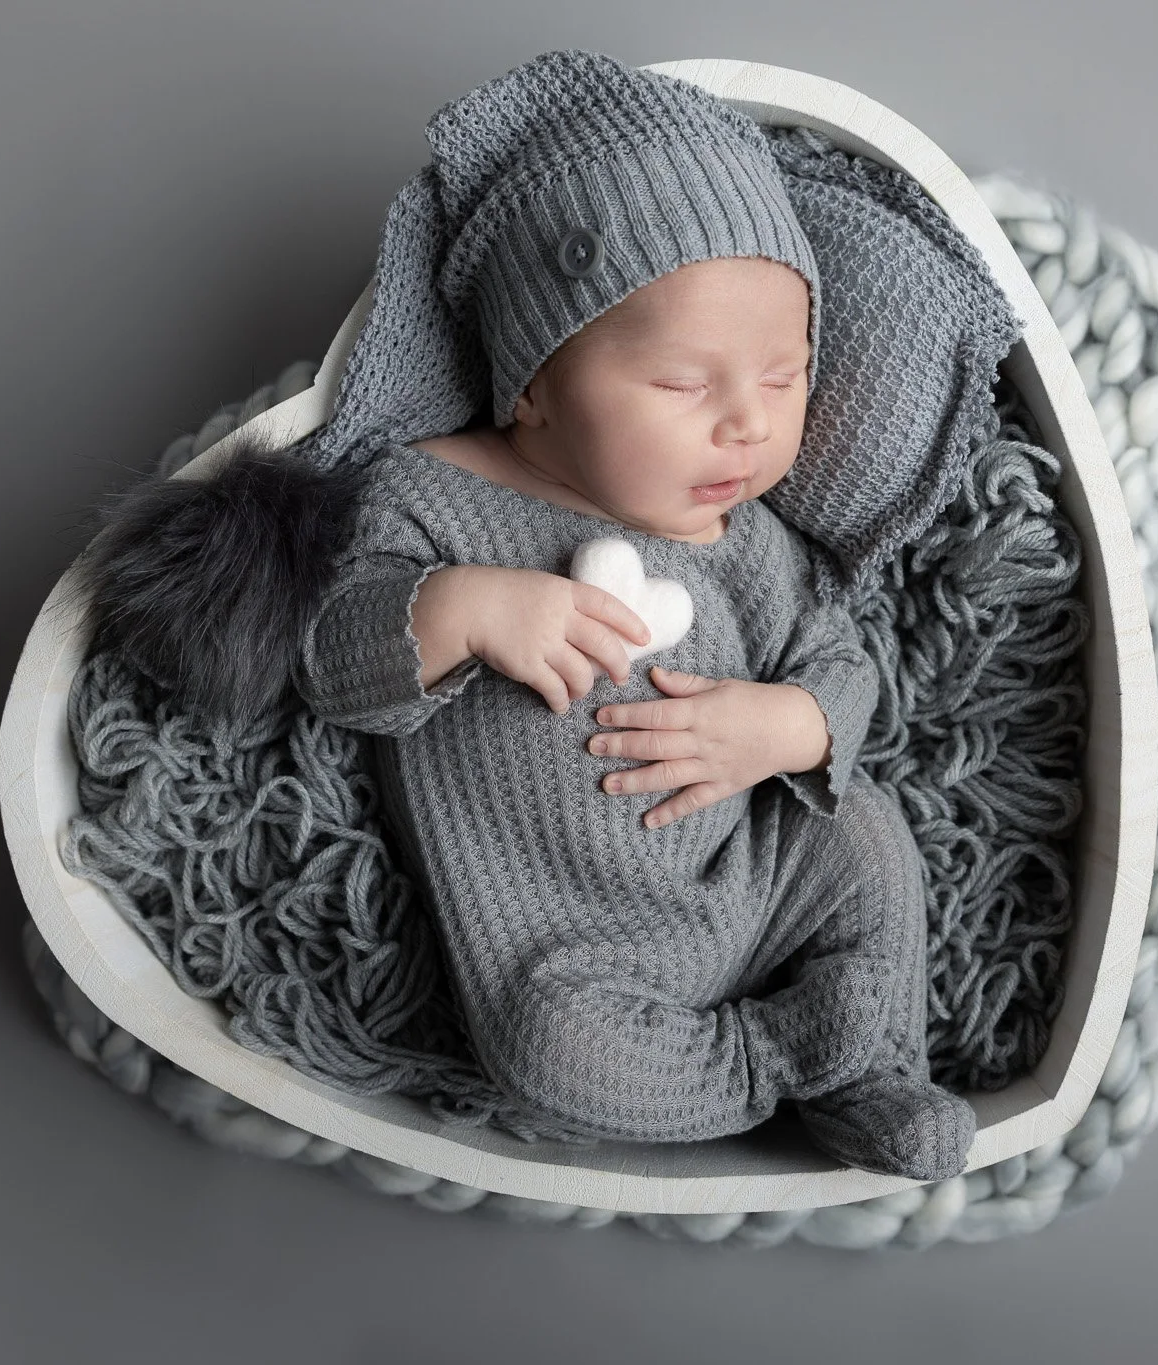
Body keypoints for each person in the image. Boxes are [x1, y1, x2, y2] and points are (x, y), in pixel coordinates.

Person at [288, 51, 978, 1180]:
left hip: (751, 882)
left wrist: (783, 727)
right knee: (553, 1061)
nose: (745, 428)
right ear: (533, 385)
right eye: (682, 386)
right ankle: (779, 1061)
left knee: (865, 843)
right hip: (564, 949)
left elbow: (846, 670)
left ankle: (874, 1073)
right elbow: (326, 657)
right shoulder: (424, 495)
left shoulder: (751, 541)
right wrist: (457, 610)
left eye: (784, 375)